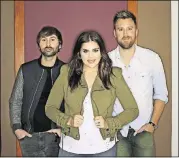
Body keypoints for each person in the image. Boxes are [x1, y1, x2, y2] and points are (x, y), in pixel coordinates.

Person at [45, 30, 139, 157]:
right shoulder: (66, 73)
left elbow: (132, 110)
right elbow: (50, 108)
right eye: (85, 51)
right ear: (79, 53)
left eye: (95, 50)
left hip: (104, 149)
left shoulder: (114, 75)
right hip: (70, 149)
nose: (91, 56)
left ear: (101, 52)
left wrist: (109, 123)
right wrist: (68, 121)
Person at [108, 10, 168, 156]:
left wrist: (152, 124)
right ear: (114, 33)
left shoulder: (152, 58)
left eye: (130, 28)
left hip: (144, 132)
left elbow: (161, 94)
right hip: (117, 134)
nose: (125, 33)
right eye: (120, 29)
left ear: (136, 31)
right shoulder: (106, 61)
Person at [9, 26, 65, 156]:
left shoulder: (67, 71)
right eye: (43, 40)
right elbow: (15, 101)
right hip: (29, 136)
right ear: (39, 45)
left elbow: (75, 103)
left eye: (52, 39)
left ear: (60, 45)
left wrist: (64, 129)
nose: (48, 44)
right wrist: (17, 128)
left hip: (57, 137)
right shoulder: (26, 69)